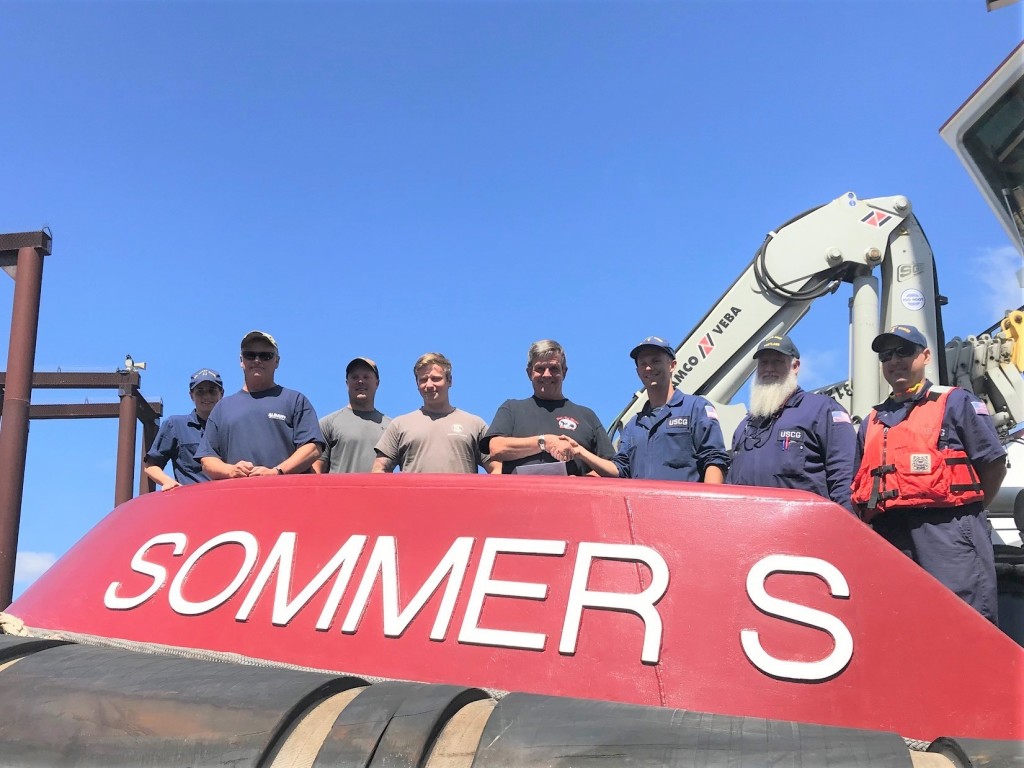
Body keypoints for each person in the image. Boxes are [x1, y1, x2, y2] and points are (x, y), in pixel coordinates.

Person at [851, 324, 1007, 622]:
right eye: (886, 355)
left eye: (903, 351)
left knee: (963, 620)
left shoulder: (956, 401)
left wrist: (970, 510)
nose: (894, 360)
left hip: (949, 528)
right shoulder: (871, 421)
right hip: (890, 534)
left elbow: (993, 464)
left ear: (925, 356)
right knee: (900, 622)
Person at [570, 336, 729, 482]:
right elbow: (620, 470)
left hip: (684, 504)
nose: (648, 368)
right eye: (643, 364)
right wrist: (580, 452)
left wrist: (709, 502)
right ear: (638, 372)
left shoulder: (696, 408)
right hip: (642, 504)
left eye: (655, 361)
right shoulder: (633, 426)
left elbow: (714, 459)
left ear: (672, 365)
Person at [727, 335, 856, 511]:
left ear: (795, 366)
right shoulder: (744, 427)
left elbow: (844, 475)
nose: (769, 369)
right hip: (750, 524)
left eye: (777, 362)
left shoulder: (822, 410)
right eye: (764, 363)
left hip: (805, 524)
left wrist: (848, 522)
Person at [196, 331, 324, 479]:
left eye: (265, 356)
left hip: (285, 492)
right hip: (237, 493)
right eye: (250, 355)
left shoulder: (296, 401)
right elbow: (207, 459)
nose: (257, 360)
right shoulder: (222, 408)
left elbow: (313, 448)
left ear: (277, 361)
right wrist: (230, 470)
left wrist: (277, 471)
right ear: (241, 360)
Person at [483, 340, 614, 475]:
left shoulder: (587, 416)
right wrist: (544, 442)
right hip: (520, 489)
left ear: (564, 372)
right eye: (540, 368)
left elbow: (613, 468)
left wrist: (582, 481)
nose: (546, 374)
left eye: (554, 368)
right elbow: (496, 448)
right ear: (529, 372)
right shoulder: (511, 409)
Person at [372, 352, 497, 474]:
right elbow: (379, 469)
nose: (429, 385)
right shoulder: (399, 425)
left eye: (436, 379)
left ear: (449, 381)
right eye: (423, 380)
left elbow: (497, 468)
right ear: (417, 384)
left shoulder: (474, 424)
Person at [143, 368, 224, 489]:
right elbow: (150, 465)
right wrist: (168, 482)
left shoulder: (232, 426)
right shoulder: (175, 425)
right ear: (191, 395)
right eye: (200, 391)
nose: (206, 396)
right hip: (191, 498)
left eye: (212, 391)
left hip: (225, 497)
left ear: (221, 394)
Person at [314, 357, 391, 474]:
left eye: (366, 377)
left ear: (377, 383)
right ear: (347, 383)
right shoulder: (327, 424)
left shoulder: (392, 427)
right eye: (355, 377)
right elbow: (316, 472)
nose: (360, 381)